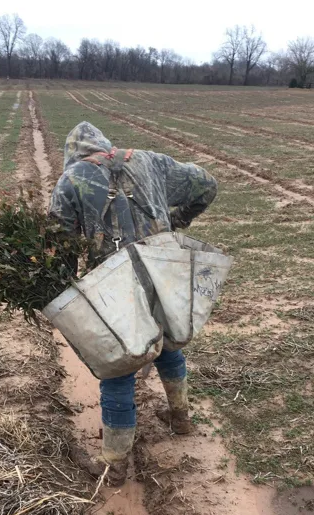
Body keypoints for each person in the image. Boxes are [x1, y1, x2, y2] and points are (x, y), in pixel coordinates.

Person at [49, 122, 218, 486]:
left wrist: (63, 293)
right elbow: (207, 184)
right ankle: (181, 417)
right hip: (163, 271)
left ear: (74, 155)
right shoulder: (149, 161)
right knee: (167, 343)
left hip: (116, 282)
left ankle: (114, 462)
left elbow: (61, 245)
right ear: (106, 147)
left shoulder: (71, 182)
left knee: (118, 368)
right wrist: (177, 221)